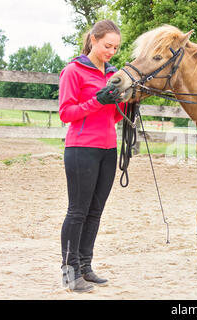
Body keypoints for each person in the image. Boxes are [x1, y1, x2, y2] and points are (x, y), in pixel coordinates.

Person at [58, 20, 124, 292]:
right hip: (81, 148)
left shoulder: (113, 74)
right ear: (94, 40)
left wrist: (124, 101)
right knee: (77, 211)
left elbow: (116, 117)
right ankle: (70, 272)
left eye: (116, 48)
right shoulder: (73, 71)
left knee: (95, 212)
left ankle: (85, 266)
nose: (111, 51)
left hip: (108, 150)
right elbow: (66, 113)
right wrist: (98, 100)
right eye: (107, 45)